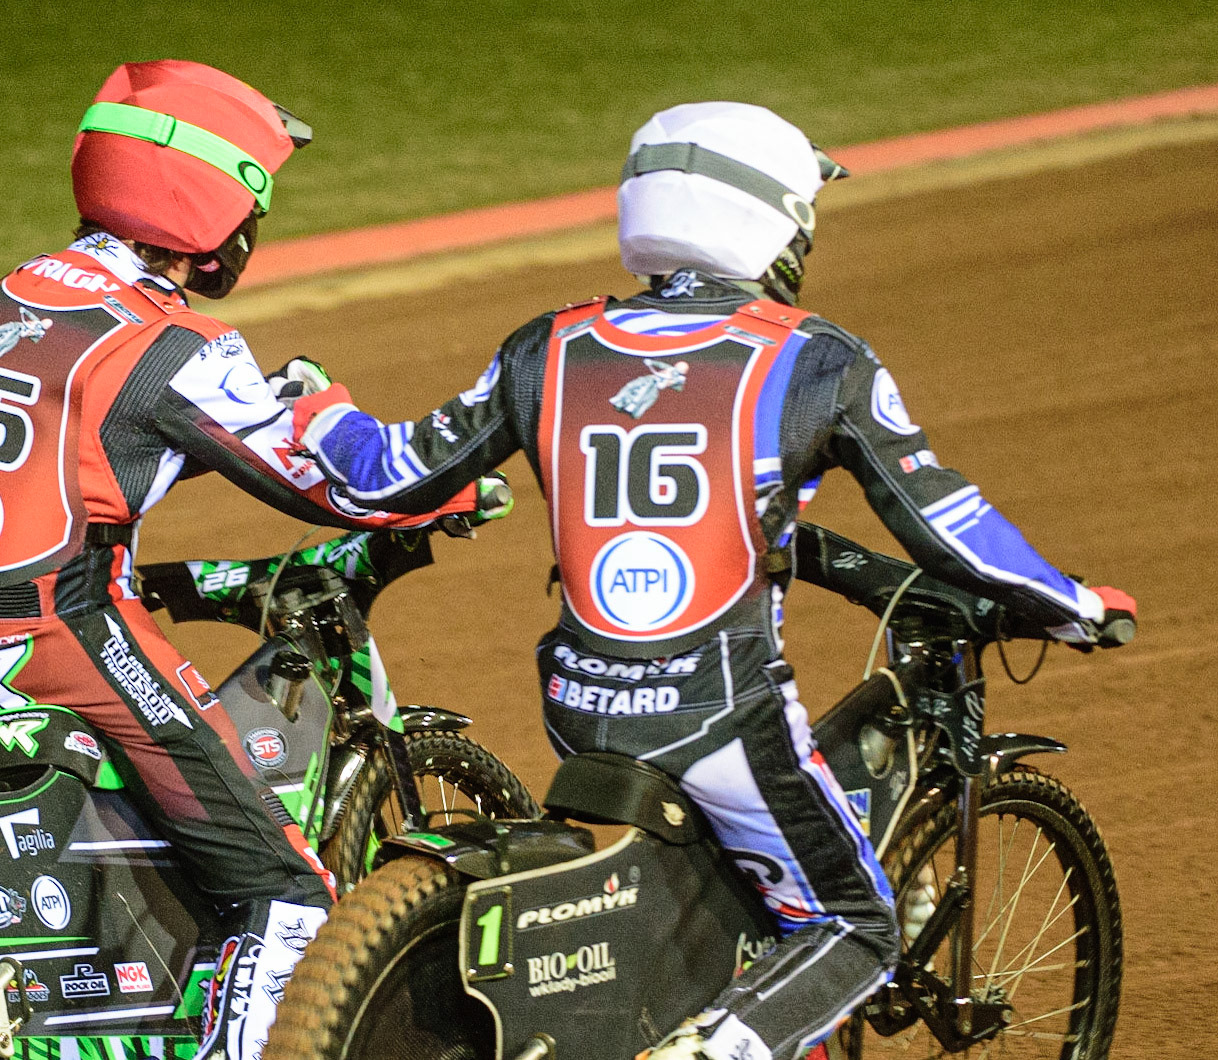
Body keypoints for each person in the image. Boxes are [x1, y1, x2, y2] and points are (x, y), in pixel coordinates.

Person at [287, 102, 1137, 1060]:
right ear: (772, 224)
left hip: (577, 704)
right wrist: (1071, 604)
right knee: (857, 926)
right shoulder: (818, 360)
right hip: (719, 715)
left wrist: (320, 412)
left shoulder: (549, 345)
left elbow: (384, 473)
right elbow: (947, 525)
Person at [0, 60, 484, 1060]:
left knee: (165, 812)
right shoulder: (173, 344)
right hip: (65, 638)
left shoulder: (11, 295)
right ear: (211, 210)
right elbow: (329, 483)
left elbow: (76, 434)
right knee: (286, 882)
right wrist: (454, 483)